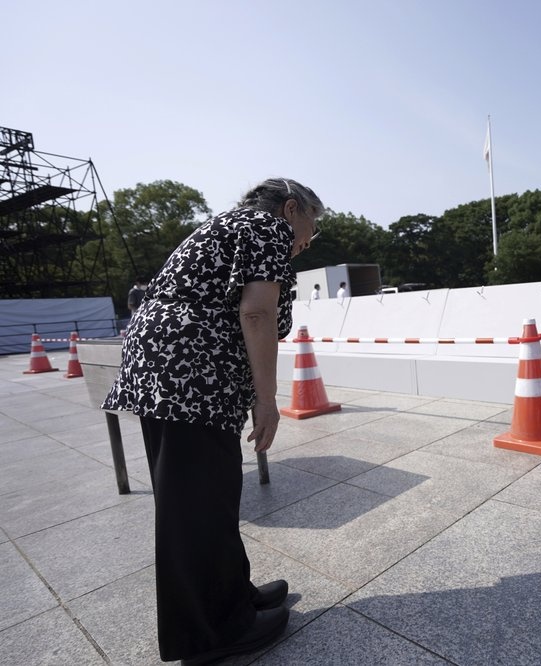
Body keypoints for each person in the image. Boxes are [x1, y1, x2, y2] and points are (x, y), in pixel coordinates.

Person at [103, 177, 323, 664]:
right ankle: (214, 633)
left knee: (206, 496)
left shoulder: (232, 226)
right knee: (199, 502)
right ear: (292, 209)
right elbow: (258, 314)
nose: (311, 237)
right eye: (314, 224)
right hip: (190, 376)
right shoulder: (268, 228)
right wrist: (266, 401)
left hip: (171, 371)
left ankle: (231, 597)